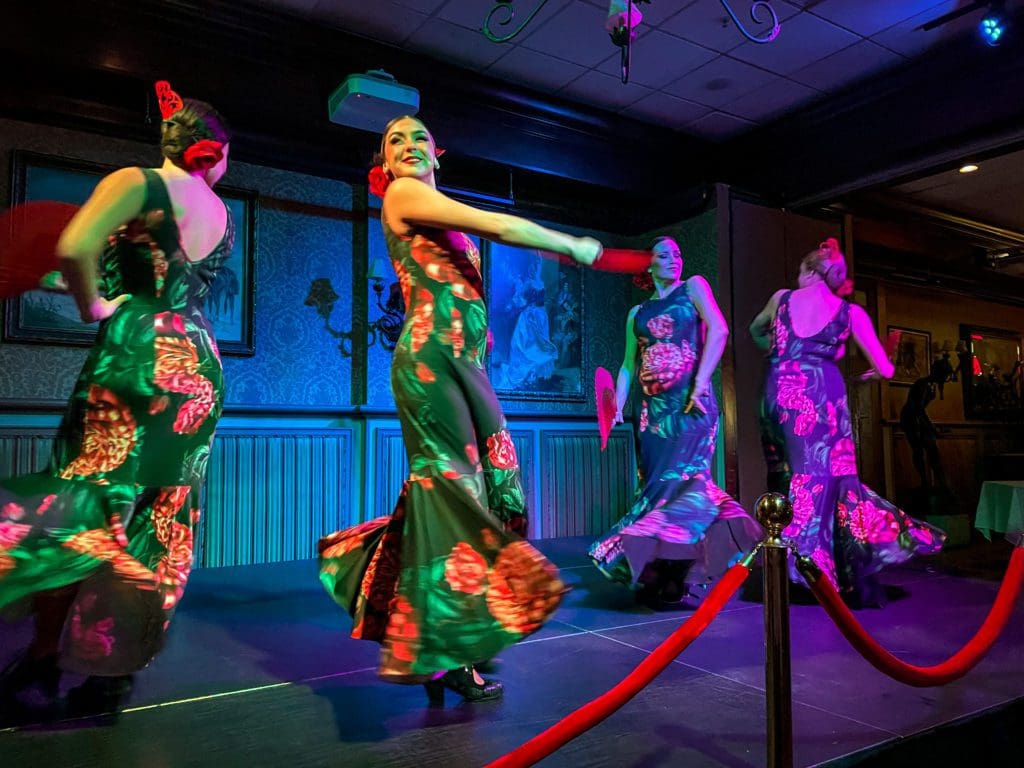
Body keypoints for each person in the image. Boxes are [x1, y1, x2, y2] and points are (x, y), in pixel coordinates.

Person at [317, 115, 602, 704]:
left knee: (494, 489)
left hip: (461, 363)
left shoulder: (428, 200)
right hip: (430, 363)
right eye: (394, 139)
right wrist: (567, 244)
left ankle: (446, 630)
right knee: (457, 492)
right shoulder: (403, 193)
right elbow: (496, 223)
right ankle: (448, 647)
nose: (408, 145)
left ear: (438, 154)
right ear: (386, 164)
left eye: (419, 136)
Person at [0, 82, 232, 720]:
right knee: (162, 520)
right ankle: (112, 671)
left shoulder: (135, 180)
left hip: (134, 354)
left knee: (85, 504)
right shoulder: (220, 211)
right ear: (216, 154)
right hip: (198, 367)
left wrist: (95, 305)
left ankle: (45, 658)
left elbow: (77, 248)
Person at [750, 238, 944, 608]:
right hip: (823, 394)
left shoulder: (782, 298)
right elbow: (886, 368)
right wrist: (869, 373)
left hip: (781, 389)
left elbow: (754, 330)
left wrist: (778, 351)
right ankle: (812, 568)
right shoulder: (849, 312)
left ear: (809, 271)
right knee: (828, 477)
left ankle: (806, 564)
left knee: (797, 474)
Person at [589, 237, 761, 607]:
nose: (673, 259)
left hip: (691, 408)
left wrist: (700, 382)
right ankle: (663, 576)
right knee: (656, 491)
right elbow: (626, 365)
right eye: (663, 255)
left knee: (684, 487)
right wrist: (617, 403)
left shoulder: (694, 287)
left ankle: (675, 573)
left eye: (678, 253)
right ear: (648, 267)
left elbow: (720, 329)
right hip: (652, 416)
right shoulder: (637, 314)